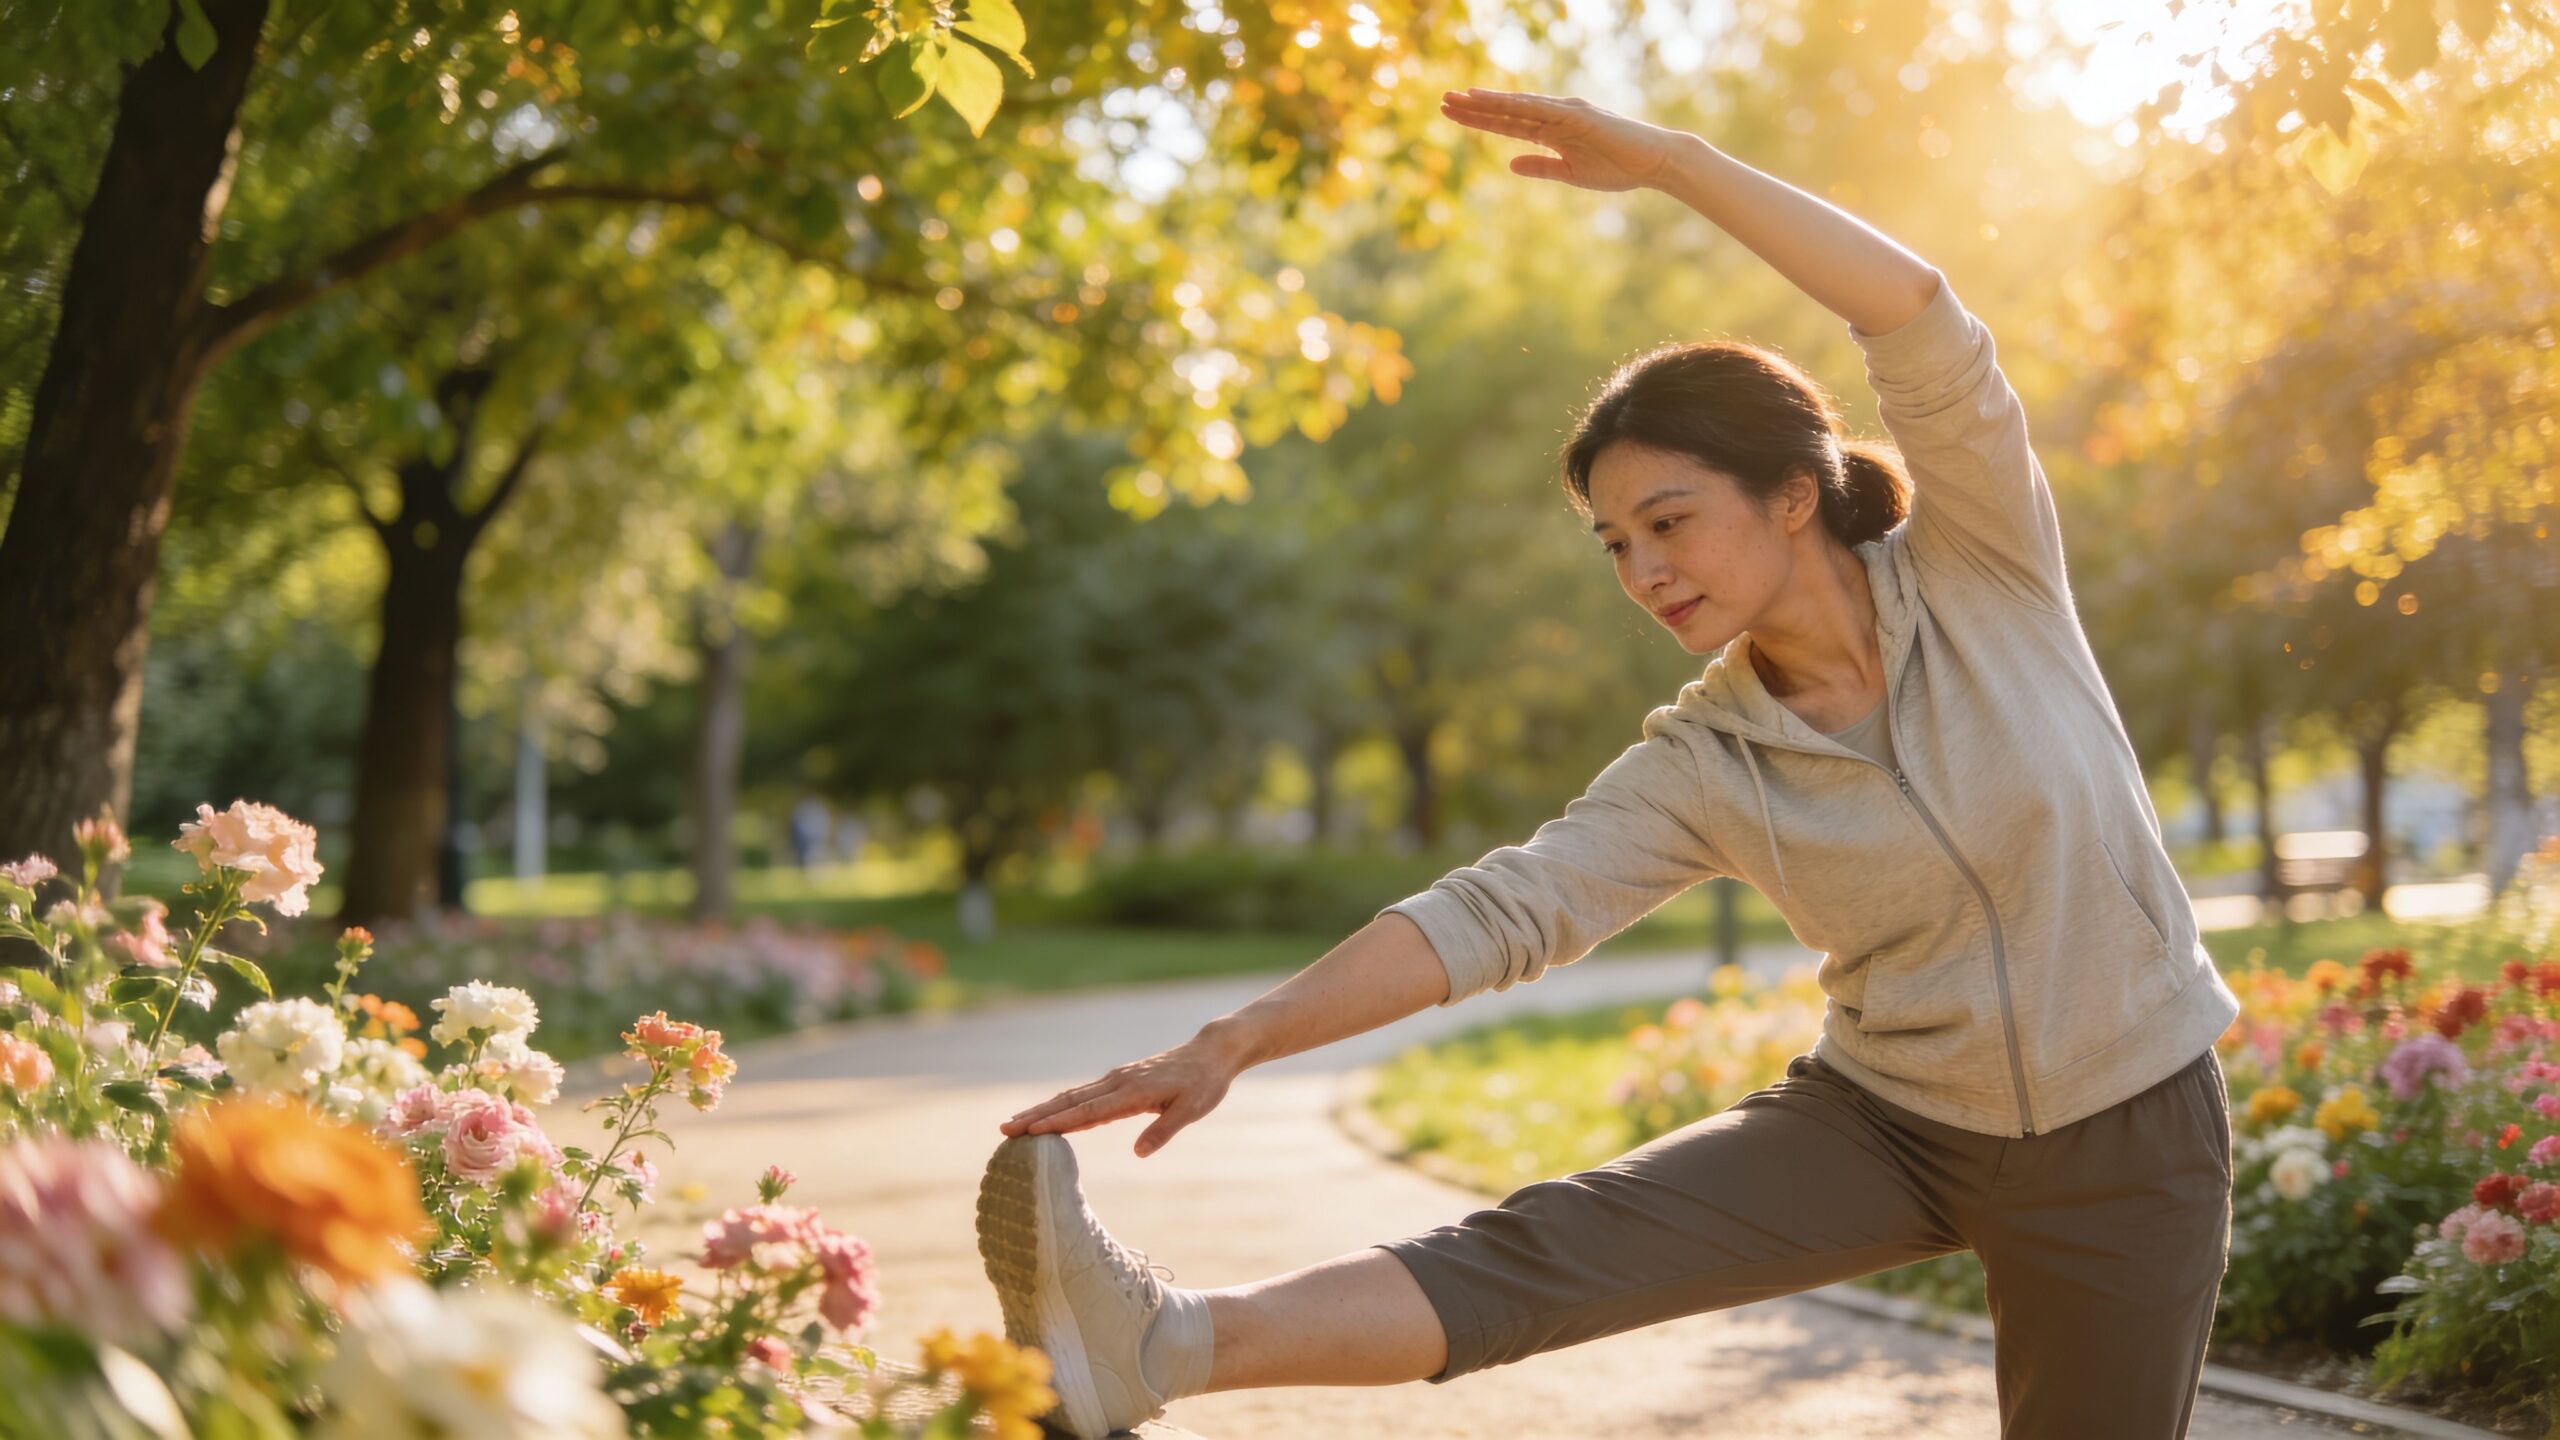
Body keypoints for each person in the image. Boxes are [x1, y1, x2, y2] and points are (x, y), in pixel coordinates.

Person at [978, 87, 2240, 1440]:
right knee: (1552, 1248)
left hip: (2131, 1129)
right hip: (1891, 1119)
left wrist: (1681, 167)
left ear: (1794, 495)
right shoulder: (1710, 755)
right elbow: (1502, 910)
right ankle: (1151, 1347)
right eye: (1616, 543)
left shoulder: (1982, 568)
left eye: (1670, 522)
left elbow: (1920, 315)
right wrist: (1234, 1041)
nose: (1644, 572)